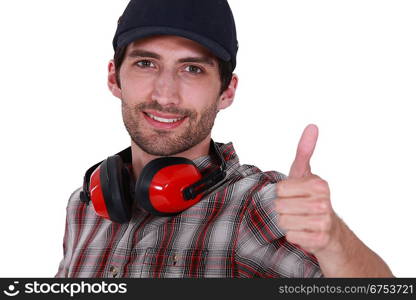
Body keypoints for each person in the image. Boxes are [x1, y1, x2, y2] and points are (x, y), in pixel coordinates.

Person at [56, 0, 393, 278]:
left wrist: (332, 240)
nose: (166, 95)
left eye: (193, 69)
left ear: (226, 91)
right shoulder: (84, 207)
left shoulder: (258, 208)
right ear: (115, 78)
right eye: (146, 63)